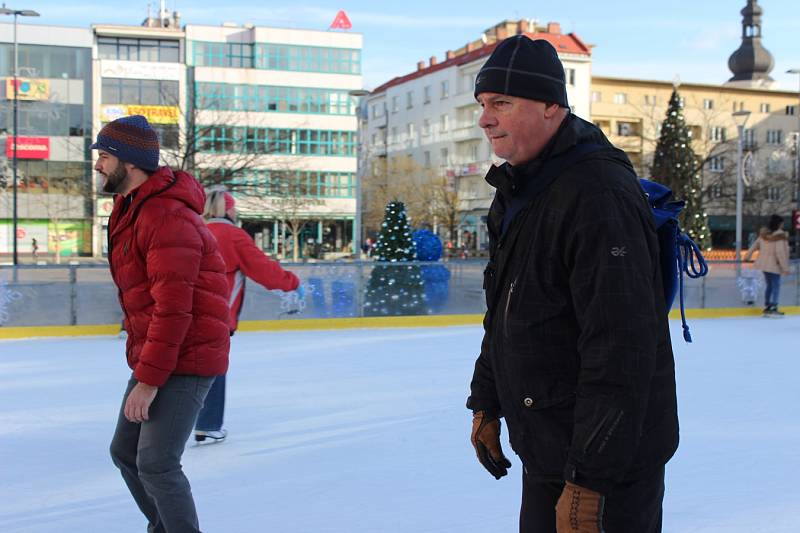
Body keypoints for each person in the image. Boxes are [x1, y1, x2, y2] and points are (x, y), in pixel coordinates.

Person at [467, 36, 677, 533]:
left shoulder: (598, 194)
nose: (485, 119)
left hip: (610, 469)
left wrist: (590, 480)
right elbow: (506, 312)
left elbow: (621, 345)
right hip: (550, 446)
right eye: (482, 104)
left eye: (501, 103)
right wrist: (486, 401)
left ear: (550, 107)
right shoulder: (519, 188)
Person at [93, 115, 231, 533]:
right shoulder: (133, 208)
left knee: (155, 462)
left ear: (129, 162)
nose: (97, 165)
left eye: (103, 156)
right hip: (160, 354)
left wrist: (148, 381)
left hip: (187, 357)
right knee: (125, 452)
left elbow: (174, 308)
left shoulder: (165, 216)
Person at [194, 189, 302, 443]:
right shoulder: (231, 235)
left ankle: (169, 424)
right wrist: (292, 282)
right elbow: (263, 270)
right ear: (229, 210)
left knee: (185, 367)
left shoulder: (192, 230)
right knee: (213, 366)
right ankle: (208, 424)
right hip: (216, 313)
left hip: (183, 310)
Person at [744, 214, 790, 317]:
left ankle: (768, 306)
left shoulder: (764, 235)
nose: (783, 225)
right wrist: (785, 268)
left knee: (769, 285)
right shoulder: (780, 236)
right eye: (782, 223)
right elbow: (780, 253)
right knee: (776, 286)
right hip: (774, 265)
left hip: (764, 264)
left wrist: (747, 256)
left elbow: (754, 245)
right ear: (779, 224)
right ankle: (774, 306)